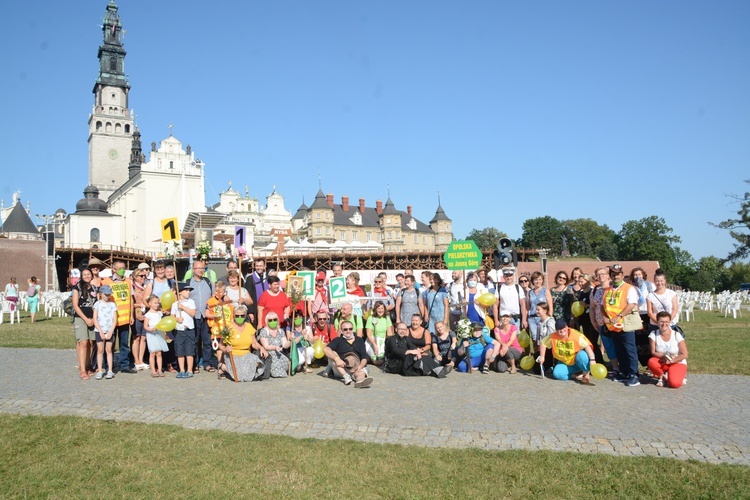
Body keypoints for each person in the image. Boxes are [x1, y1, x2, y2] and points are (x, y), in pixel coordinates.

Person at [602, 264, 641, 387]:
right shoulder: (608, 290)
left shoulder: (629, 288)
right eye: (613, 274)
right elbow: (603, 306)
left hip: (625, 323)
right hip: (612, 325)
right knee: (619, 349)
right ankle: (624, 372)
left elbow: (631, 304)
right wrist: (604, 317)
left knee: (629, 349)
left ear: (622, 275)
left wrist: (619, 316)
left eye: (618, 274)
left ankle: (634, 374)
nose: (615, 276)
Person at [217, 304, 271, 382]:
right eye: (237, 316)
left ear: (245, 316)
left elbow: (254, 343)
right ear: (233, 316)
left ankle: (241, 370)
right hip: (233, 354)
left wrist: (261, 348)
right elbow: (220, 345)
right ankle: (223, 367)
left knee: (253, 367)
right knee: (239, 377)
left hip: (246, 354)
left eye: (242, 316)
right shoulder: (228, 328)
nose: (240, 318)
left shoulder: (249, 326)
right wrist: (225, 349)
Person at [101, 261, 137, 374]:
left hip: (125, 318)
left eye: (123, 268)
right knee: (110, 343)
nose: (122, 270)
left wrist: (131, 315)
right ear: (114, 269)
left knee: (124, 344)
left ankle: (124, 365)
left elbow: (131, 299)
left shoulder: (128, 281)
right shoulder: (106, 281)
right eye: (119, 268)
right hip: (111, 319)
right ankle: (108, 365)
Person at [537, 318, 598, 383]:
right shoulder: (553, 336)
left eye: (563, 328)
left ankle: (585, 373)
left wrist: (592, 360)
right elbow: (543, 343)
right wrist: (542, 356)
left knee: (582, 355)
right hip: (564, 362)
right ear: (556, 330)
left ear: (567, 327)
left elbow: (587, 346)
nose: (562, 330)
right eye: (559, 329)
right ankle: (575, 375)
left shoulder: (576, 335)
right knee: (557, 374)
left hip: (577, 361)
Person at [383, 322, 451, 377]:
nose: (402, 331)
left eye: (404, 329)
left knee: (425, 356)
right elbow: (396, 350)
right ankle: (432, 372)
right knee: (411, 356)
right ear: (396, 329)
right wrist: (411, 351)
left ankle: (439, 370)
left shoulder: (406, 338)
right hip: (394, 364)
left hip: (404, 361)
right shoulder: (391, 339)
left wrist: (417, 352)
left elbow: (412, 346)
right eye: (400, 329)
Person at [323, 320, 373, 388]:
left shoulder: (359, 340)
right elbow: (326, 349)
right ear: (341, 330)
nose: (348, 331)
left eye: (350, 329)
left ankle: (360, 381)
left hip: (357, 366)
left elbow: (364, 357)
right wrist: (337, 359)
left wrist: (359, 368)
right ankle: (346, 377)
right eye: (345, 329)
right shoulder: (337, 340)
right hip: (342, 369)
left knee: (360, 374)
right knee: (333, 353)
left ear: (353, 329)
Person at [648, 312, 688, 388]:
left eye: (666, 322)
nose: (664, 324)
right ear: (657, 322)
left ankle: (676, 375)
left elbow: (685, 354)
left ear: (670, 322)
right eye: (661, 321)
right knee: (652, 362)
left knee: (674, 384)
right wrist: (664, 356)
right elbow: (653, 352)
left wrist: (672, 360)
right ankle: (661, 376)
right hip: (663, 361)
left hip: (677, 362)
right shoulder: (653, 334)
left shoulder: (676, 334)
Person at [590, 267, 618, 376]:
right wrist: (593, 321)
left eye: (603, 274)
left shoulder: (613, 288)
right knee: (609, 346)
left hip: (614, 322)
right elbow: (592, 307)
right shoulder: (595, 290)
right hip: (601, 323)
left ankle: (623, 366)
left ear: (607, 275)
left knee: (618, 345)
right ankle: (615, 367)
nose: (601, 276)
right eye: (598, 274)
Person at [188, 260, 214, 374]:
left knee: (207, 341)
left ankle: (207, 363)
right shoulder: (189, 283)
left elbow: (214, 298)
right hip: (194, 316)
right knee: (195, 341)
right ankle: (195, 363)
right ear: (193, 269)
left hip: (206, 316)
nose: (200, 270)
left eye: (202, 268)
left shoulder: (208, 282)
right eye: (198, 268)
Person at [72, 268, 98, 379]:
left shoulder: (95, 288)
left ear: (92, 276)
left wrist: (93, 318)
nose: (87, 276)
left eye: (89, 274)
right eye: (84, 274)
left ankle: (88, 365)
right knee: (83, 343)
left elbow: (98, 304)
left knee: (91, 343)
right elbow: (75, 305)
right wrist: (85, 319)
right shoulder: (77, 287)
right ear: (81, 276)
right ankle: (82, 370)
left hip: (92, 318)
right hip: (81, 318)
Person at [171, 282, 196, 378]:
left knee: (189, 350)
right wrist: (177, 319)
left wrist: (183, 307)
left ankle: (189, 370)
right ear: (180, 292)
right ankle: (181, 370)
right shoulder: (174, 304)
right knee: (180, 351)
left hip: (189, 329)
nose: (188, 292)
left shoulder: (191, 302)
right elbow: (172, 316)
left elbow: (193, 313)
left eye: (189, 291)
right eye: (186, 290)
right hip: (179, 329)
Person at [92, 285, 117, 380]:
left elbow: (114, 319)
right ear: (101, 294)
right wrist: (100, 331)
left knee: (109, 349)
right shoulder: (97, 304)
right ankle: (100, 370)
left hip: (109, 330)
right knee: (100, 350)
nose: (107, 296)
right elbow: (95, 318)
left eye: (109, 294)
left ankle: (110, 370)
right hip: (99, 330)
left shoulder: (112, 305)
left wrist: (111, 331)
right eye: (105, 294)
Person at [257, 312, 291, 378]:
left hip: (280, 353)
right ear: (267, 321)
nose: (273, 321)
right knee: (276, 365)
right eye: (270, 320)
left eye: (274, 319)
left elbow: (285, 345)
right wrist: (275, 347)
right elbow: (266, 346)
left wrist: (290, 340)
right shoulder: (264, 331)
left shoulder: (281, 331)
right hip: (270, 353)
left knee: (287, 362)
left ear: (277, 320)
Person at [130, 267, 151, 372]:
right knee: (136, 337)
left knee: (143, 337)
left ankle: (141, 359)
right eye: (141, 276)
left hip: (146, 315)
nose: (143, 277)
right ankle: (136, 360)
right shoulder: (132, 288)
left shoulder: (146, 287)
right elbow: (129, 303)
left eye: (144, 276)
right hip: (136, 315)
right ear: (135, 277)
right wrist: (139, 304)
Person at [143, 294, 169, 377]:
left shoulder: (159, 313)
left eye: (158, 303)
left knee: (159, 353)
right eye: (155, 303)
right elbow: (145, 326)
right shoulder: (148, 314)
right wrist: (150, 329)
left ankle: (160, 369)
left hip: (159, 333)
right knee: (152, 353)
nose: (156, 305)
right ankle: (153, 370)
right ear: (150, 303)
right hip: (151, 334)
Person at [646, 268, 679, 332]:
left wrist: (667, 322)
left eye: (661, 281)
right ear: (654, 281)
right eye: (657, 281)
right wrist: (659, 323)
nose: (659, 283)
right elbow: (650, 312)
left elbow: (675, 309)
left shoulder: (671, 293)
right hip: (655, 325)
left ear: (665, 281)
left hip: (671, 324)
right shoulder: (650, 296)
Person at [527, 271, 553, 344]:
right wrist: (525, 319)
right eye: (536, 279)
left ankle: (543, 354)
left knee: (543, 338)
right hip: (532, 318)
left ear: (542, 281)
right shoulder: (530, 292)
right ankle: (537, 354)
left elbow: (550, 305)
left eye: (540, 279)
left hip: (542, 318)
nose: (538, 281)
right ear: (532, 281)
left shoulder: (545, 291)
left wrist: (550, 316)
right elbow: (528, 307)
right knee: (535, 338)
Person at [243, 258, 268, 327]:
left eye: (260, 266)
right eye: (257, 266)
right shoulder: (250, 279)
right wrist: (250, 312)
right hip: (255, 309)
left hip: (267, 309)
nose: (259, 268)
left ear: (264, 266)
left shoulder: (267, 278)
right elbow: (248, 295)